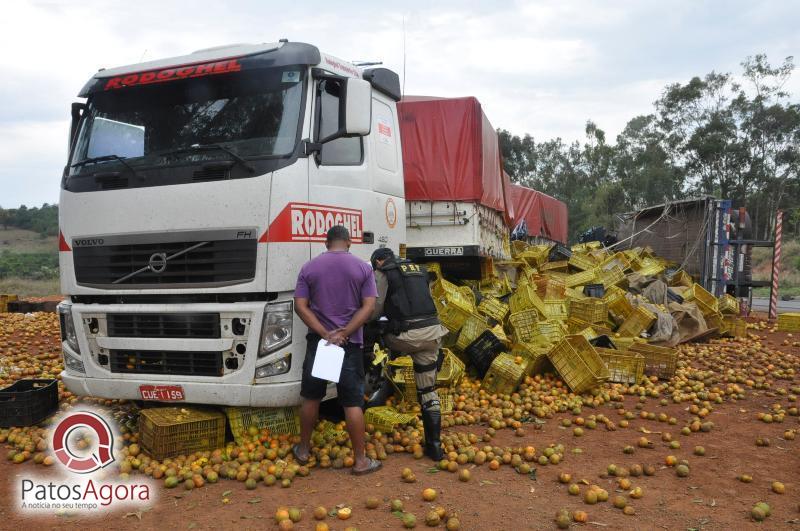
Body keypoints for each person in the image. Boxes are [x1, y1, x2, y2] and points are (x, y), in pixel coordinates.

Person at [292, 225, 381, 475]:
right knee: (352, 402)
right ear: (349, 242)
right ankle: (361, 461)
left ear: (326, 242)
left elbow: (300, 306)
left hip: (320, 345)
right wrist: (345, 332)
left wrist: (324, 333)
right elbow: (369, 307)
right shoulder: (363, 268)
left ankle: (303, 450)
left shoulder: (309, 268)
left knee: (311, 397)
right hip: (349, 345)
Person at [368, 247, 448, 460]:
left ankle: (374, 378)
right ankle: (435, 447)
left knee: (372, 332)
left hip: (404, 338)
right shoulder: (420, 270)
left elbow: (375, 309)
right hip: (432, 334)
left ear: (378, 262)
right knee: (428, 390)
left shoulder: (383, 272)